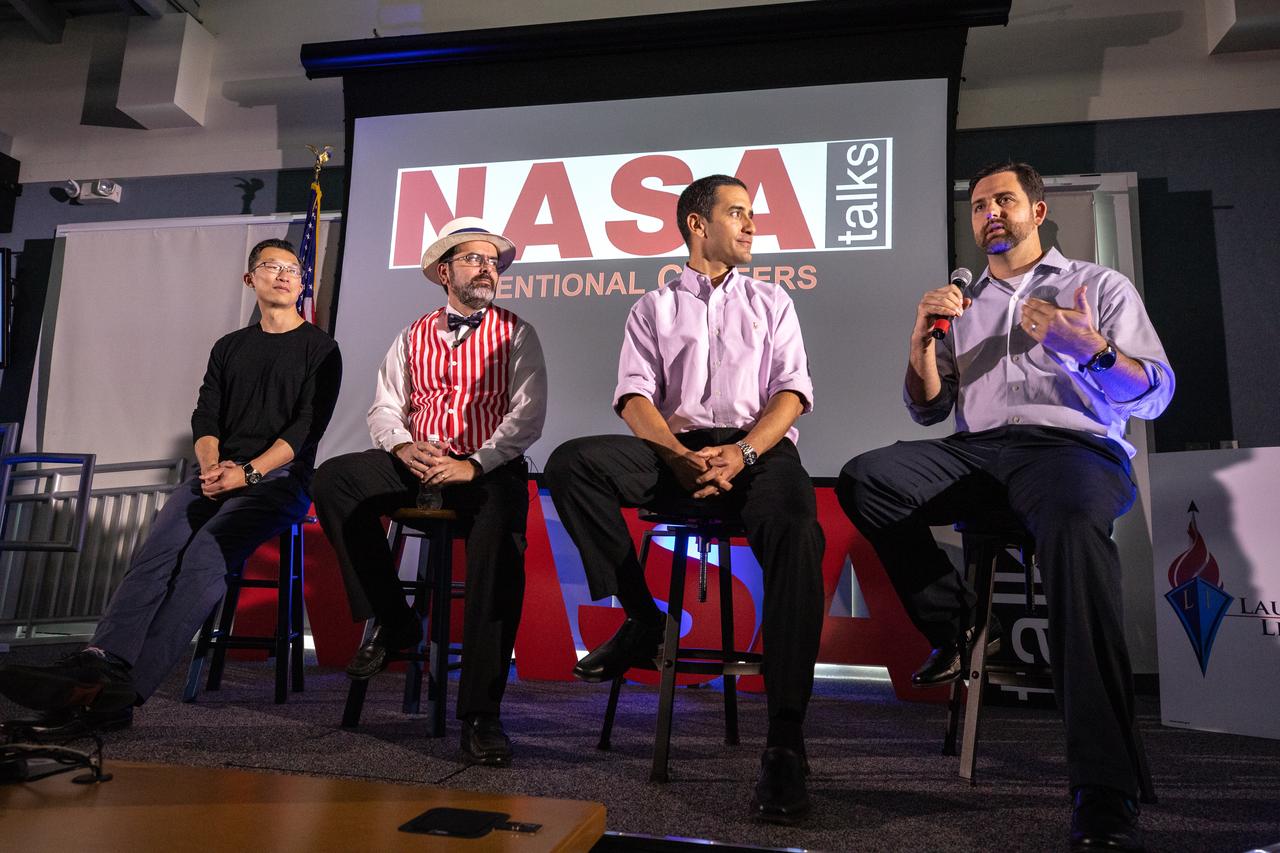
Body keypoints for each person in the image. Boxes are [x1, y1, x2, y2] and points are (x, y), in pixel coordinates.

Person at [836, 161, 1173, 852]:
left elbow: (1155, 393)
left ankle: (1103, 790)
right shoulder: (963, 302)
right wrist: (920, 346)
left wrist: (1091, 348)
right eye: (981, 203)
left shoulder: (1098, 286)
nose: (991, 211)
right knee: (869, 476)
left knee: (1078, 538)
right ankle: (958, 626)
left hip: (1071, 451)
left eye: (1006, 200)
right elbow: (929, 408)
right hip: (982, 452)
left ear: (1038, 211)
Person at [544, 174, 825, 825]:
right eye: (738, 212)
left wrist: (745, 451)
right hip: (675, 451)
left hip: (758, 454)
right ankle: (644, 618)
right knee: (573, 465)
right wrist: (675, 454)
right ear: (698, 224)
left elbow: (791, 391)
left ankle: (784, 737)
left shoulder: (773, 301)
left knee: (797, 529)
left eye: (752, 213)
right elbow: (634, 396)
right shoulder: (653, 307)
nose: (752, 224)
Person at [0, 238, 342, 740]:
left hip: (277, 480)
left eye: (292, 268)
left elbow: (305, 430)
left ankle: (123, 691)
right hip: (216, 472)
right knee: (155, 553)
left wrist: (246, 474)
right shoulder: (229, 347)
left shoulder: (321, 348)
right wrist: (210, 467)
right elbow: (205, 416)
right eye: (270, 266)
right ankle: (102, 662)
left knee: (204, 554)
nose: (284, 274)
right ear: (251, 280)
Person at [311, 217, 545, 768]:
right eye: (474, 259)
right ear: (445, 272)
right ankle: (395, 620)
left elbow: (527, 416)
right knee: (335, 479)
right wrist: (399, 447)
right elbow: (385, 406)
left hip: (485, 470)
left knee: (500, 549)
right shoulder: (412, 334)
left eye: (493, 262)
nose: (487, 269)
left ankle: (482, 715)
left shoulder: (518, 332)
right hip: (419, 461)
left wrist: (475, 463)